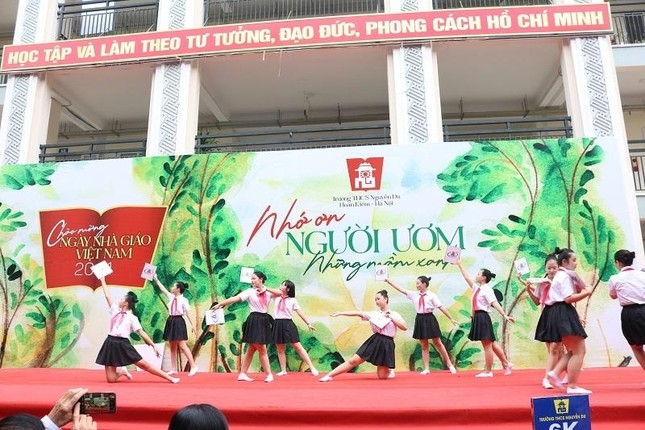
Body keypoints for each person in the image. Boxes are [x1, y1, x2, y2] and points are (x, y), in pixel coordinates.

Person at [96, 276, 180, 383]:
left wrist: (153, 345)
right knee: (110, 380)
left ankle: (170, 378)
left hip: (123, 344)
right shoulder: (115, 310)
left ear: (126, 303)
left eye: (121, 299)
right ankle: (122, 372)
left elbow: (141, 332)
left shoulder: (132, 318)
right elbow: (107, 296)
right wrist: (103, 280)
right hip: (110, 342)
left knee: (144, 365)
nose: (119, 300)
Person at [319, 289, 407, 382]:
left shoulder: (395, 314)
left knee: (382, 377)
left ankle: (389, 369)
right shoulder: (374, 314)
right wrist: (341, 313)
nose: (377, 301)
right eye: (375, 300)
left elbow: (404, 327)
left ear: (385, 299)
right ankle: (329, 375)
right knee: (353, 361)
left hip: (387, 343)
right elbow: (358, 313)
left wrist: (392, 317)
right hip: (375, 340)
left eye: (378, 299)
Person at [537, 247, 592, 394]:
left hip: (557, 312)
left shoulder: (561, 275)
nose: (576, 263)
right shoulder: (565, 276)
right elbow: (568, 298)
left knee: (574, 350)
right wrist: (587, 292)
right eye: (573, 260)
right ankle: (572, 385)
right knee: (579, 351)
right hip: (563, 311)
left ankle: (555, 372)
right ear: (564, 262)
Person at [211, 270, 279, 382]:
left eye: (254, 278)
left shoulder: (268, 292)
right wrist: (220, 304)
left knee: (252, 348)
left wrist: (266, 289)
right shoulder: (250, 292)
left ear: (261, 279)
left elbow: (280, 293)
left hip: (264, 319)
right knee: (262, 348)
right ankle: (269, 374)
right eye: (251, 279)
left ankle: (242, 373)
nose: (252, 281)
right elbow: (235, 299)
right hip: (254, 320)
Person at [384, 276, 458, 374]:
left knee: (438, 342)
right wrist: (389, 281)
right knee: (424, 345)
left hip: (430, 318)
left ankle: (450, 365)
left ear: (424, 284)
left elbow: (441, 307)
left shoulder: (432, 295)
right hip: (420, 319)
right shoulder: (414, 294)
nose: (417, 285)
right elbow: (401, 289)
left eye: (418, 283)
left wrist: (451, 318)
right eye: (416, 283)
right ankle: (426, 368)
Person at [456, 259, 514, 377]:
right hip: (478, 318)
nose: (476, 276)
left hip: (483, 317)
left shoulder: (487, 289)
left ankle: (488, 371)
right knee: (491, 344)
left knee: (487, 345)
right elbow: (467, 278)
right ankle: (507, 363)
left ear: (483, 278)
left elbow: (494, 303)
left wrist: (504, 315)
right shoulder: (477, 289)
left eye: (478, 274)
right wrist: (459, 264)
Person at [520, 253, 567, 389]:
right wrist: (528, 290)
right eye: (549, 268)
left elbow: (567, 297)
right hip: (547, 314)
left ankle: (548, 378)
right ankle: (565, 373)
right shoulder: (541, 281)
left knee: (556, 347)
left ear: (559, 267)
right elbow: (537, 301)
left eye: (554, 268)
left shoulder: (562, 280)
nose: (551, 270)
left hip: (560, 312)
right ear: (545, 268)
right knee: (553, 350)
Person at [266, 280, 319, 376]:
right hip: (277, 323)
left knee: (297, 346)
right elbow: (270, 291)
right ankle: (283, 370)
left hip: (288, 324)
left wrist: (308, 323)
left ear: (288, 289)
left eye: (283, 285)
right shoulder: (276, 297)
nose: (280, 286)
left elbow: (299, 312)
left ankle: (312, 367)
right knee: (280, 348)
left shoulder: (292, 300)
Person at [152, 273, 199, 376]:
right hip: (171, 321)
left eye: (174, 286)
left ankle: (193, 366)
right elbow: (163, 289)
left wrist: (193, 326)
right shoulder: (171, 297)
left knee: (182, 345)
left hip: (178, 322)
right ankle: (173, 368)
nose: (172, 288)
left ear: (178, 289)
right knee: (172, 345)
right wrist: (156, 279)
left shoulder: (184, 300)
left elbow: (188, 313)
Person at [608, 249, 645, 374]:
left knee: (636, 347)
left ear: (617, 262)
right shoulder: (642, 275)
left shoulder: (615, 278)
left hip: (630, 314)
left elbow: (613, 295)